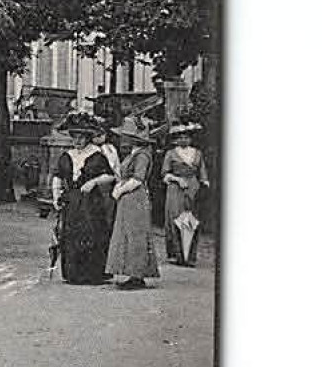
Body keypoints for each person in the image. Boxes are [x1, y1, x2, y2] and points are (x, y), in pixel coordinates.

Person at [54, 116, 118, 285]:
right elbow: (57, 176)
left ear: (88, 137)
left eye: (81, 137)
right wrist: (56, 196)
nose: (77, 141)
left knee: (91, 232)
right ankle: (73, 273)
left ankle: (92, 273)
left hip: (91, 202)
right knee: (71, 233)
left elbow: (110, 176)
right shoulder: (67, 155)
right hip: (72, 201)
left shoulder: (96, 155)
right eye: (74, 137)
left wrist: (94, 182)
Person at [105, 119, 160, 289]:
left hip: (136, 197)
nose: (123, 139)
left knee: (136, 234)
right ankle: (131, 273)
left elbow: (138, 179)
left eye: (126, 136)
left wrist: (119, 191)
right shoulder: (134, 153)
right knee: (127, 233)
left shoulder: (142, 155)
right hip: (128, 197)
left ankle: (137, 275)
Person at [162, 123, 208, 266]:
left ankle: (190, 256)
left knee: (191, 219)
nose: (184, 140)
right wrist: (176, 179)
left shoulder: (197, 153)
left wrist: (204, 183)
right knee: (175, 218)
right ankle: (176, 255)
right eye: (181, 137)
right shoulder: (171, 153)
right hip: (175, 187)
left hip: (192, 186)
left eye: (186, 137)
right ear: (176, 139)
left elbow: (202, 172)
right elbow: (164, 173)